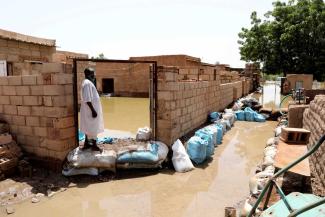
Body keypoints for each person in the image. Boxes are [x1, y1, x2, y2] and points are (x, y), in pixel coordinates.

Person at [80, 67, 104, 151]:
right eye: (92, 74)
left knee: (89, 127)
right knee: (93, 128)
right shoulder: (87, 84)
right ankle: (94, 145)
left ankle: (87, 143)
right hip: (90, 111)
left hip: (89, 110)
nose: (94, 76)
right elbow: (87, 99)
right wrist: (93, 111)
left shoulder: (87, 82)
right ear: (88, 75)